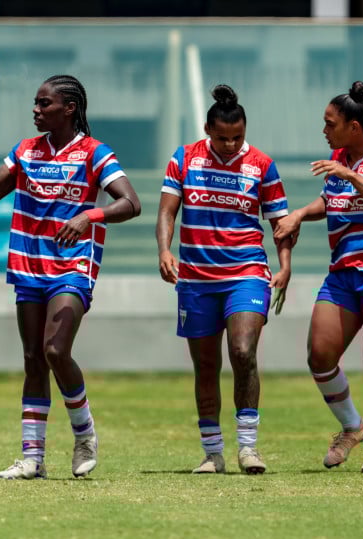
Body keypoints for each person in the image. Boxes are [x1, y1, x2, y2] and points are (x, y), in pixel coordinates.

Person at [0, 74, 141, 480]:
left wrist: (88, 216)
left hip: (72, 265)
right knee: (33, 359)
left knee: (54, 350)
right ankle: (32, 458)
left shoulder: (94, 153)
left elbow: (130, 202)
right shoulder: (25, 151)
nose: (35, 110)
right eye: (35, 103)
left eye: (44, 104)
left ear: (69, 108)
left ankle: (84, 433)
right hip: (28, 265)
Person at [273, 81, 363, 474]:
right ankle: (353, 427)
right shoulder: (339, 157)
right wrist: (299, 213)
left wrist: (350, 177)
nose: (324, 130)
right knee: (320, 355)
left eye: (330, 123)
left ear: (354, 126)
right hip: (343, 273)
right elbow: (331, 200)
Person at [156, 84, 292, 475]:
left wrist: (285, 264)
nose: (231, 145)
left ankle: (248, 448)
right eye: (222, 138)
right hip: (196, 278)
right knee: (206, 366)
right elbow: (167, 213)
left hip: (245, 272)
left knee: (243, 351)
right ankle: (212, 453)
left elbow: (280, 223)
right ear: (207, 130)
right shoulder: (183, 159)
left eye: (238, 138)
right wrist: (165, 250)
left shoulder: (262, 165)